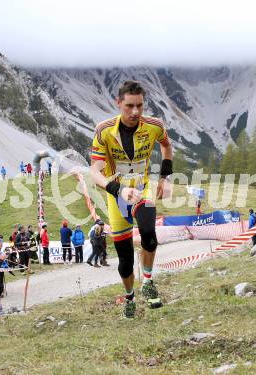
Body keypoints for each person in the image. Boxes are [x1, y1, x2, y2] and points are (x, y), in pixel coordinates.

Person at [90, 81, 173, 318]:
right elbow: (95, 172)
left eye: (140, 106)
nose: (135, 112)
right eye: (129, 106)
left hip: (143, 188)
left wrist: (165, 177)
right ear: (119, 103)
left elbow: (167, 146)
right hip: (116, 195)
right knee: (124, 260)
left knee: (149, 234)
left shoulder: (154, 125)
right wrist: (117, 189)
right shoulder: (103, 130)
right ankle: (129, 297)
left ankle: (147, 281)